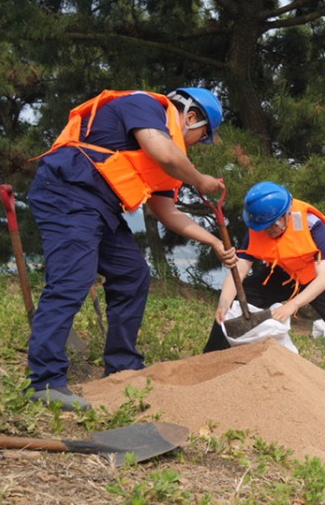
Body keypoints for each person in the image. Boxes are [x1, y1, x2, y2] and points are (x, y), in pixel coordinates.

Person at [25, 87, 236, 410]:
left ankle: (122, 367)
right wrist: (199, 179)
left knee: (131, 273)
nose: (197, 145)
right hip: (68, 191)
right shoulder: (145, 105)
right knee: (72, 281)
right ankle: (46, 382)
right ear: (192, 118)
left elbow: (167, 212)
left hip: (101, 207)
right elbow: (163, 152)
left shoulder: (173, 158)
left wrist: (214, 241)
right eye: (202, 137)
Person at [202, 181, 325, 370]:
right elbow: (239, 270)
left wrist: (292, 305)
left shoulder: (312, 224)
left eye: (274, 224)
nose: (270, 230)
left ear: (287, 212)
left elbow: (324, 278)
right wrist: (224, 303)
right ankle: (208, 362)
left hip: (319, 279)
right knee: (236, 300)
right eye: (264, 227)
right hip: (284, 274)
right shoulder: (257, 227)